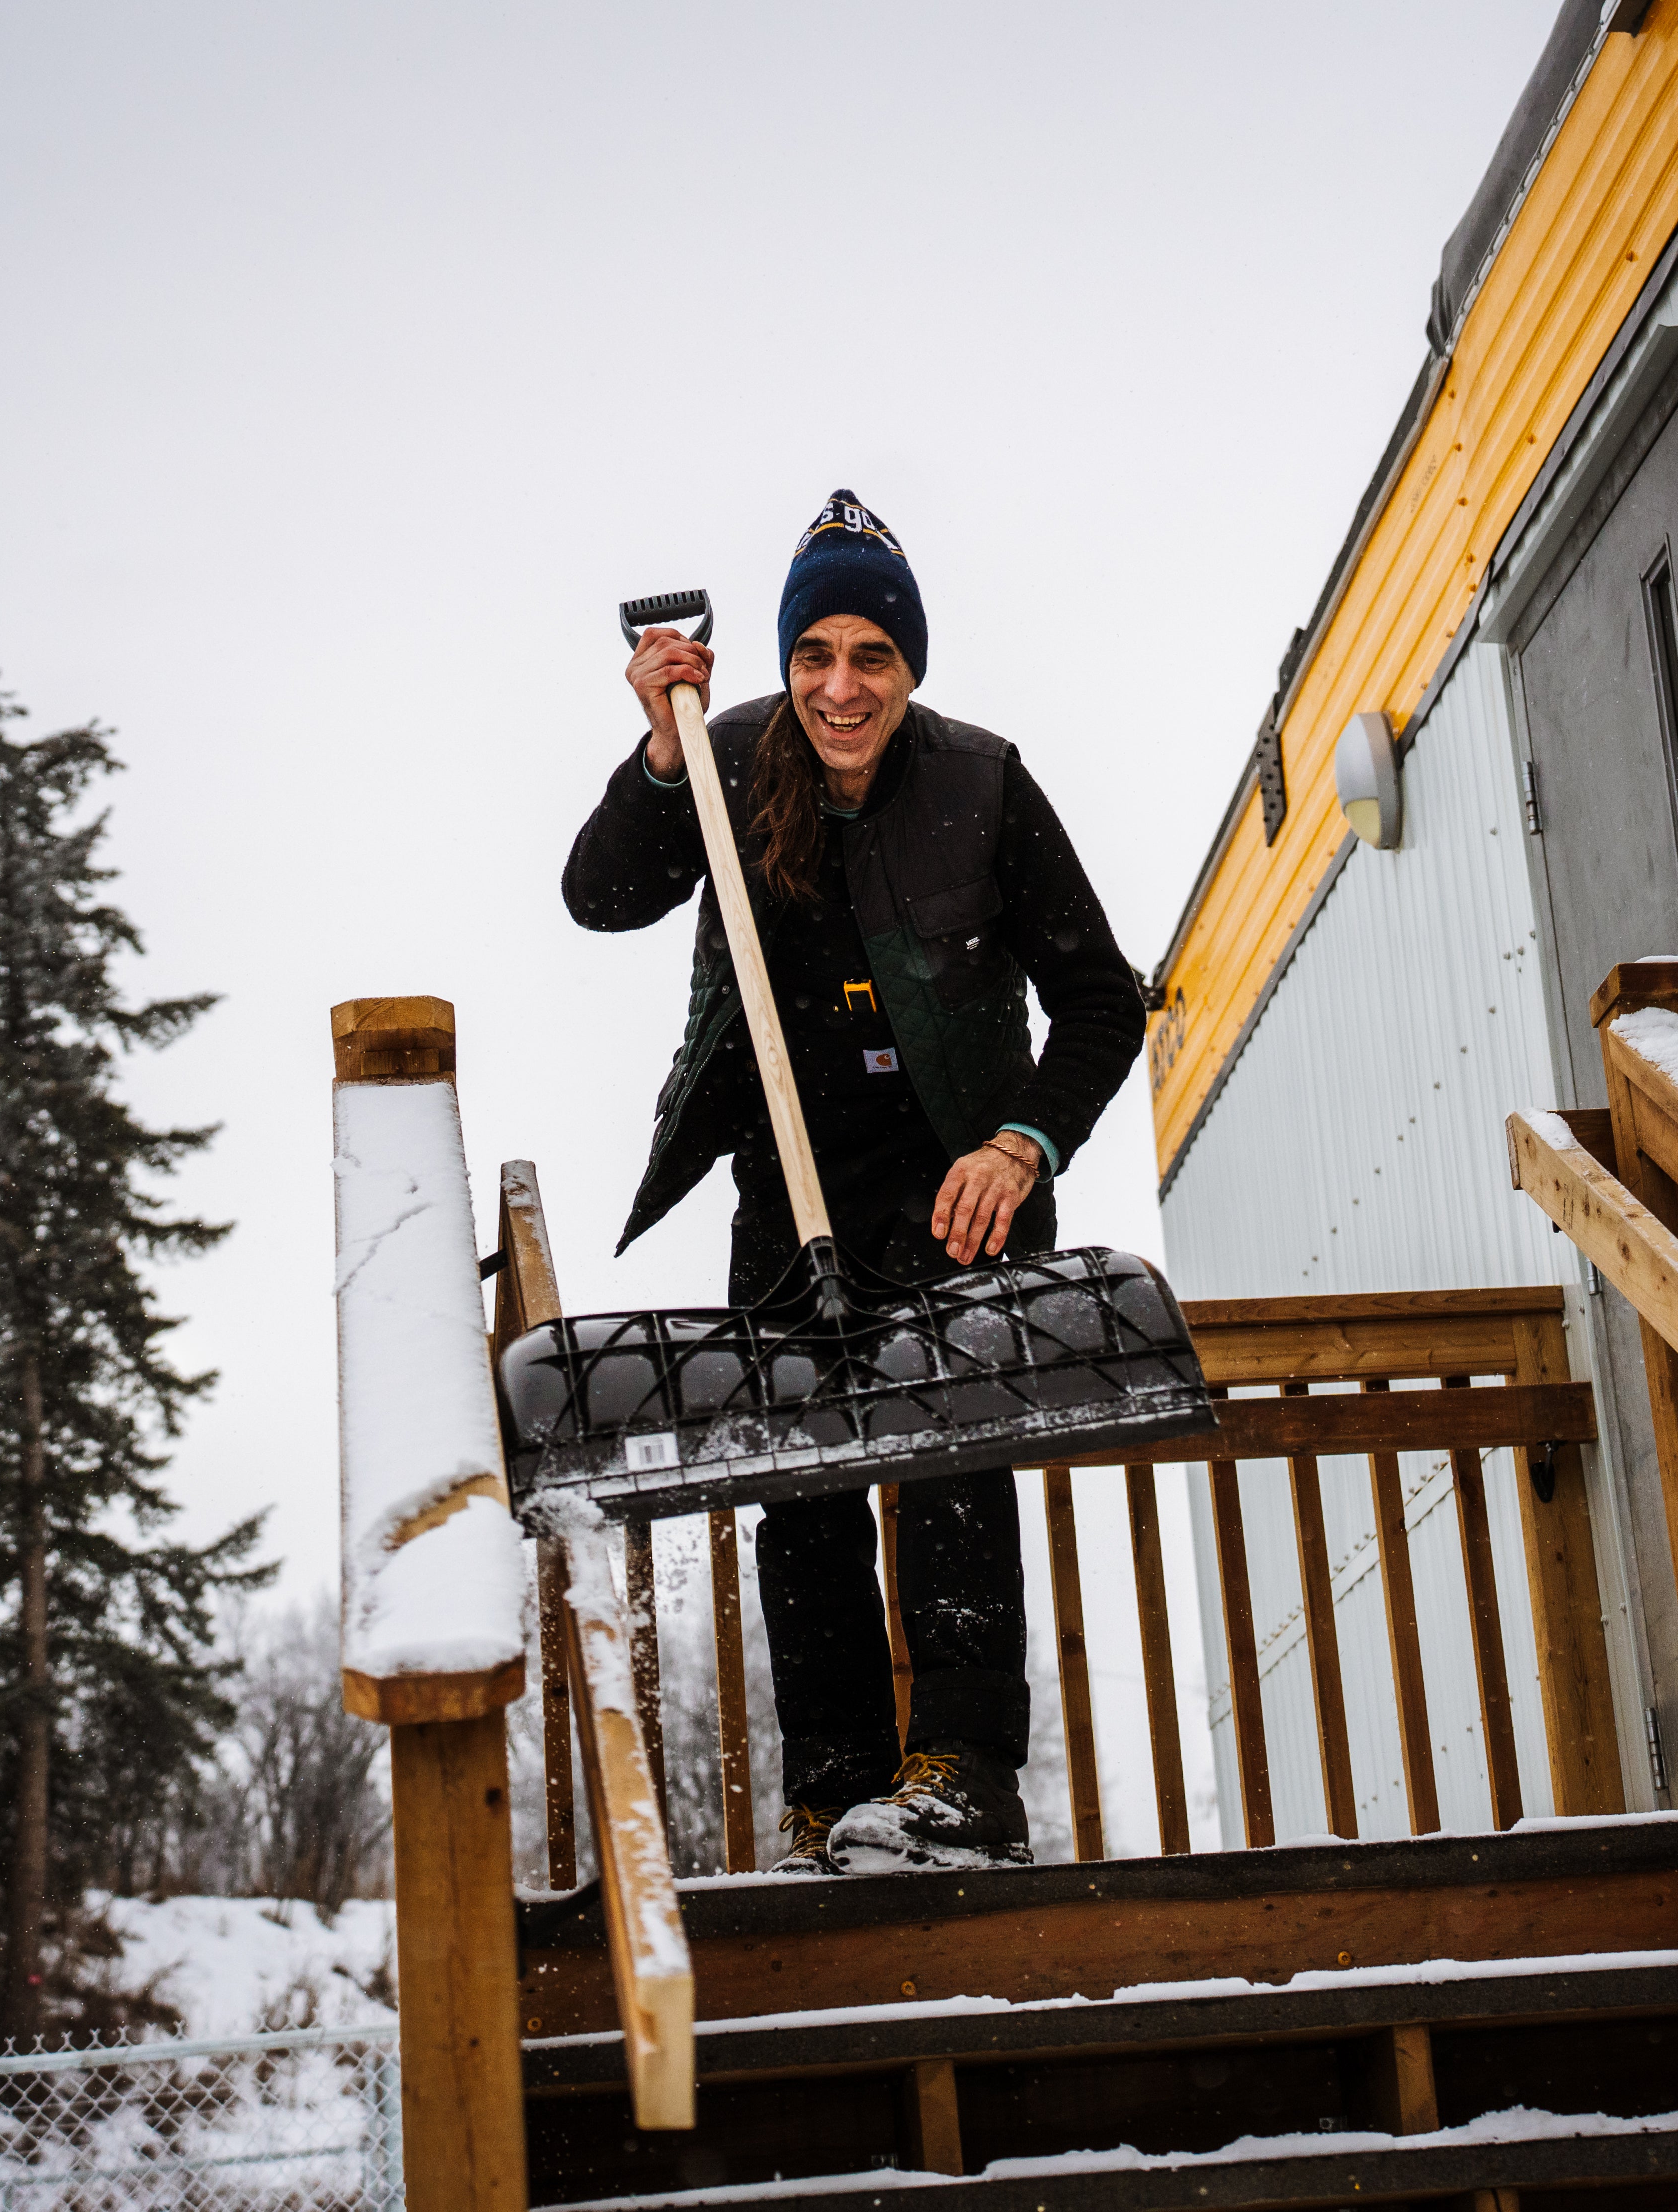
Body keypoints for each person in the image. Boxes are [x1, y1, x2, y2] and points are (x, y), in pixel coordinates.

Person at [562, 491, 1148, 1874]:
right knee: (801, 1478)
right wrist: (658, 752)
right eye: (814, 653)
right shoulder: (721, 760)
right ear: (784, 661)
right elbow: (598, 895)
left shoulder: (982, 782)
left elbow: (1100, 1005)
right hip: (786, 1174)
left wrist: (1023, 1144)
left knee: (950, 1452)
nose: (839, 685)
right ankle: (828, 1797)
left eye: (870, 656)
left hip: (955, 1180)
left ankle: (960, 1779)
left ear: (909, 668)